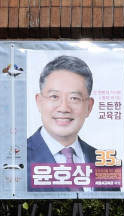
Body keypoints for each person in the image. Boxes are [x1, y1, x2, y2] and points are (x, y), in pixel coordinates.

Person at [27, 55, 97, 192]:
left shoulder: (103, 161)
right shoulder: (17, 159)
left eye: (74, 98)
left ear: (89, 107)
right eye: (54, 97)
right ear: (39, 102)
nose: (64, 108)